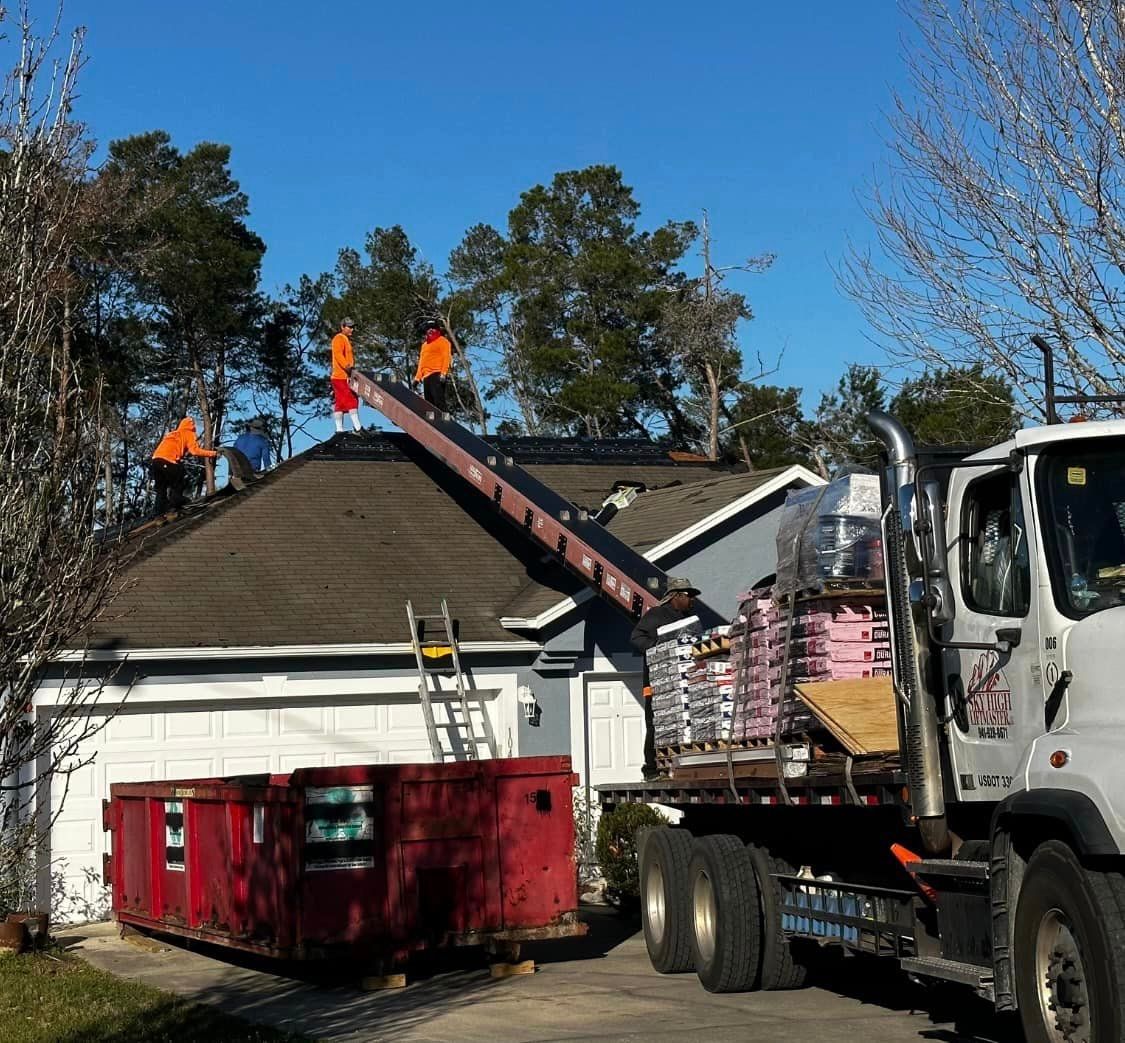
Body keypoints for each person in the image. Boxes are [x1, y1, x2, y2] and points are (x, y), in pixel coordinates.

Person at [629, 577, 701, 781]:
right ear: (676, 596)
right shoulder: (657, 615)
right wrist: (659, 647)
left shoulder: (690, 618)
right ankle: (650, 769)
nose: (692, 600)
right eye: (689, 596)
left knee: (681, 723)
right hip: (656, 684)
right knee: (655, 724)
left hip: (682, 682)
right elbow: (636, 638)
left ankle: (678, 765)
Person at [150, 417, 219, 515]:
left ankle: (158, 513)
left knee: (161, 488)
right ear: (191, 426)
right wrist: (213, 453)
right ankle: (175, 505)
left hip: (156, 460)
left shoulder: (173, 433)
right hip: (168, 460)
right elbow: (194, 451)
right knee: (179, 482)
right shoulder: (188, 433)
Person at [331, 317, 362, 433]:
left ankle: (339, 429)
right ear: (342, 327)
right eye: (349, 327)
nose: (352, 329)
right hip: (341, 375)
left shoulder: (345, 340)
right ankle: (358, 427)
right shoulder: (338, 338)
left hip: (343, 375)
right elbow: (338, 355)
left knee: (340, 402)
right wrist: (348, 367)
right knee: (351, 400)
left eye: (353, 327)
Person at [414, 321, 452, 412]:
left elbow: (446, 357)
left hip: (436, 373)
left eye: (433, 328)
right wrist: (417, 378)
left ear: (437, 329)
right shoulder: (424, 345)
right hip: (426, 377)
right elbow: (421, 362)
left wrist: (443, 373)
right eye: (428, 328)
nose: (430, 330)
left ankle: (444, 418)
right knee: (429, 404)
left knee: (438, 400)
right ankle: (433, 423)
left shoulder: (443, 341)